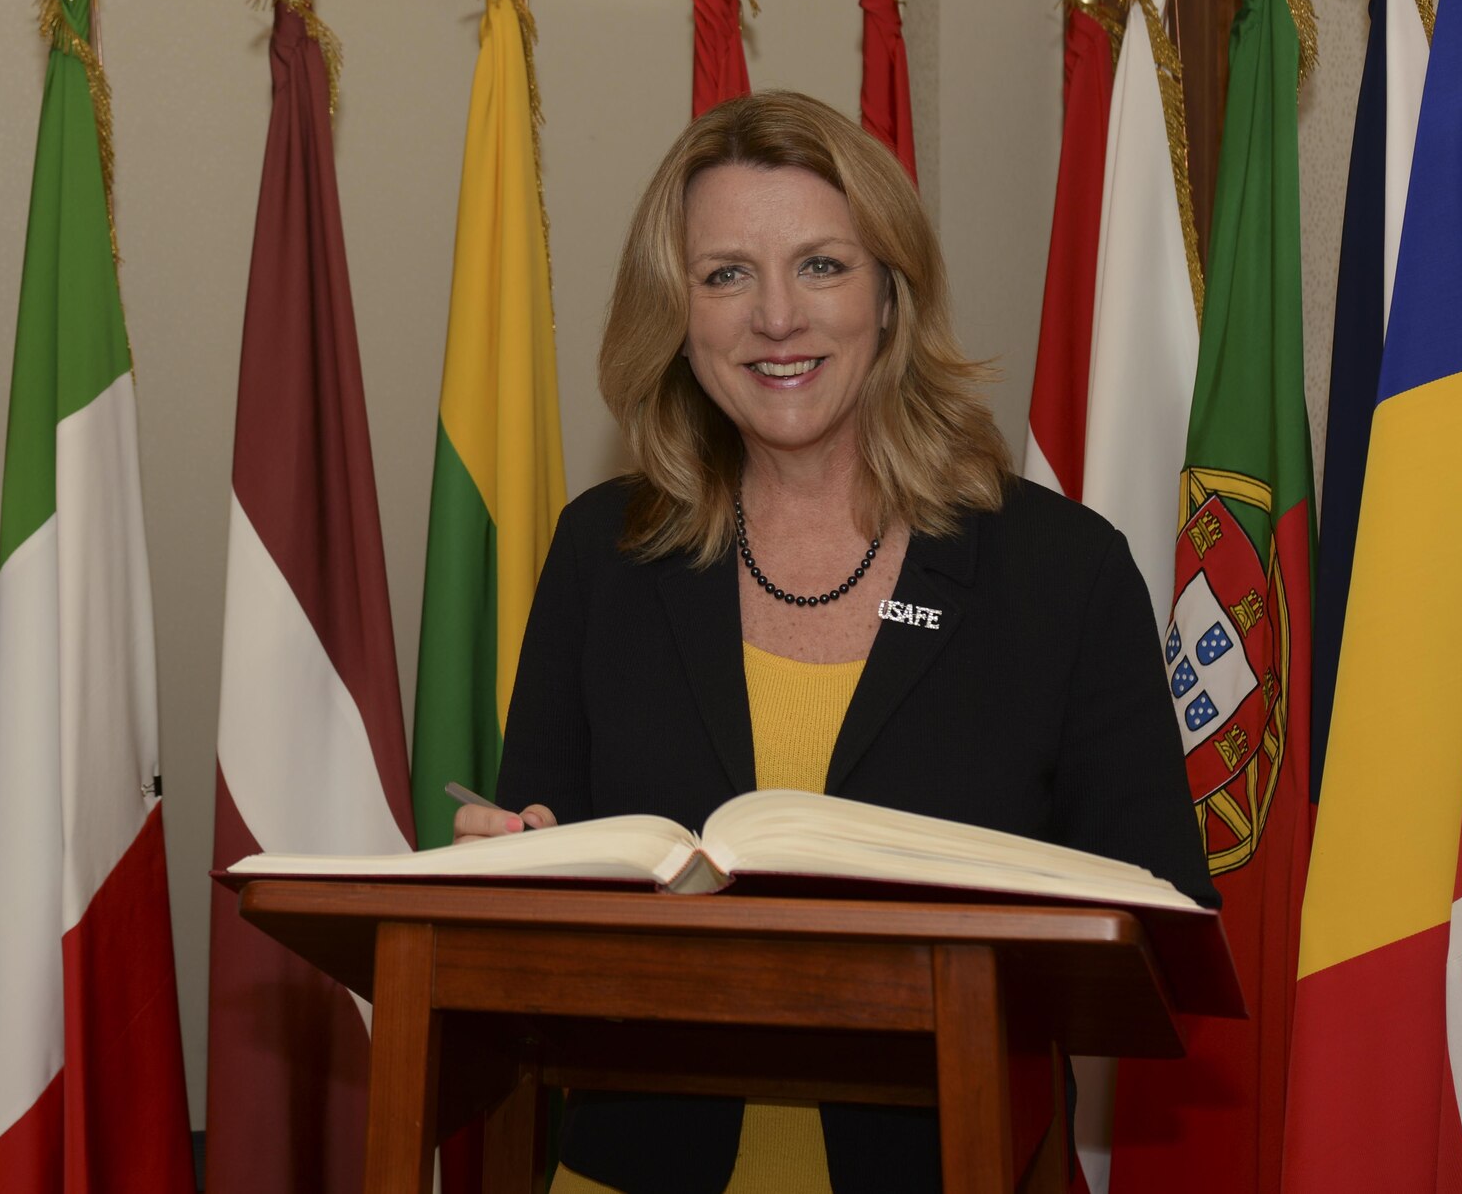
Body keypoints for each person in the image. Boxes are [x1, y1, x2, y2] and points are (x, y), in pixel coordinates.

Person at [452, 91, 1217, 1194]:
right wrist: (513, 863)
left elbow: (1162, 931)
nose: (774, 317)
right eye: (724, 275)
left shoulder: (1058, 573)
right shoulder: (603, 555)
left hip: (955, 1162)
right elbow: (543, 864)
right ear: (675, 315)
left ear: (889, 292)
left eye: (819, 265)